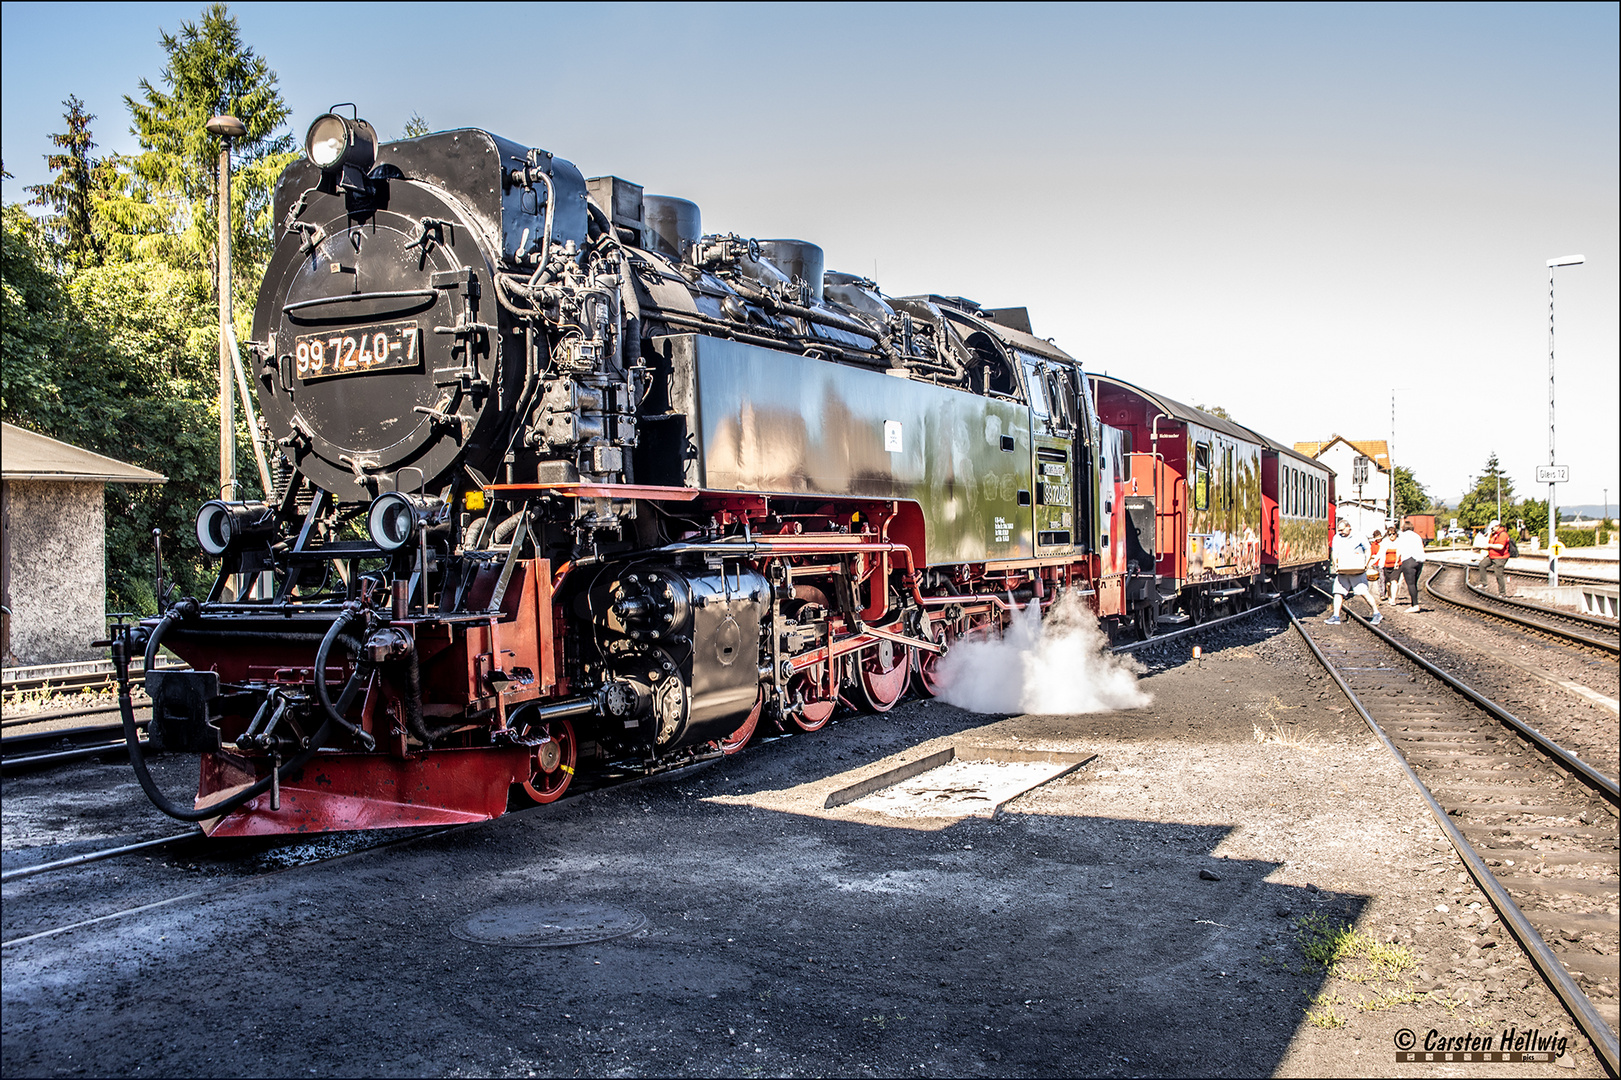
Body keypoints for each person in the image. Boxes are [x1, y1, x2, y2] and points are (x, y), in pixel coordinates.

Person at [1327, 519, 1380, 624]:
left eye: (1342, 530)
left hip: (1357, 570)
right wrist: (1335, 563)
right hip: (1343, 570)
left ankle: (1376, 613)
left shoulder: (1359, 536)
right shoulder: (1337, 538)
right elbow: (1335, 552)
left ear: (1348, 527)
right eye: (1339, 530)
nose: (1341, 532)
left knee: (1363, 592)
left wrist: (1366, 563)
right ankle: (1336, 616)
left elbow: (1368, 549)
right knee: (1338, 592)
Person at [1395, 518, 1427, 612]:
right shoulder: (1417, 536)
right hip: (1419, 561)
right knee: (1414, 583)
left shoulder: (1402, 536)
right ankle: (1414, 603)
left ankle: (1415, 605)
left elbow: (1399, 549)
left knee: (1410, 583)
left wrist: (1397, 561)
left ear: (1403, 528)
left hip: (1408, 560)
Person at [1475, 519, 1511, 596]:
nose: (1492, 529)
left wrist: (1489, 546)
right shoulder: (1495, 534)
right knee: (1482, 564)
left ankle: (1502, 593)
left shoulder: (1503, 534)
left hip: (1500, 557)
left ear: (1497, 526)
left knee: (1499, 575)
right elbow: (1491, 544)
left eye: (1493, 528)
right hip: (1492, 556)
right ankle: (1483, 583)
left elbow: (1500, 546)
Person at [1379, 524, 1401, 601]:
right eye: (1389, 534)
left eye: (1393, 534)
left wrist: (1397, 562)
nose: (1391, 536)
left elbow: (1400, 552)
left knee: (1394, 582)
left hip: (1396, 565)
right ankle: (1389, 596)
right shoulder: (1384, 542)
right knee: (1388, 583)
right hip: (1386, 566)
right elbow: (1380, 554)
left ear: (1396, 534)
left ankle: (1393, 599)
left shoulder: (1399, 542)